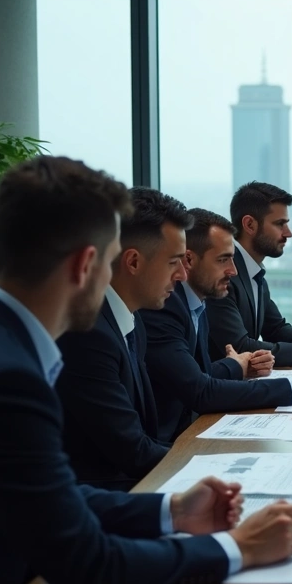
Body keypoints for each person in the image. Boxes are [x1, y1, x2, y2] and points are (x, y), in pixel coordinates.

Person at [0, 156, 292, 584]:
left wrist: (169, 510)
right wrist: (241, 547)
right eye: (113, 259)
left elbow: (51, 498)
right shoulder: (2, 379)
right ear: (85, 266)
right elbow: (94, 571)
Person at [142, 208, 292, 442]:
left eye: (232, 259)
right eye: (223, 260)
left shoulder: (196, 303)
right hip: (163, 447)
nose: (232, 271)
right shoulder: (166, 306)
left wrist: (238, 365)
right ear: (189, 260)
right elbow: (201, 391)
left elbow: (200, 374)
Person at [55, 188, 194, 490]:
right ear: (133, 262)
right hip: (98, 501)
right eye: (174, 262)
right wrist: (218, 464)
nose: (183, 275)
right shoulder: (86, 333)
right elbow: (132, 452)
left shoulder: (130, 319)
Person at [207, 181, 292, 367]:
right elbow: (239, 346)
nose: (288, 234)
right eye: (280, 224)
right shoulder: (224, 275)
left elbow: (276, 329)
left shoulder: (254, 271)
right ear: (249, 224)